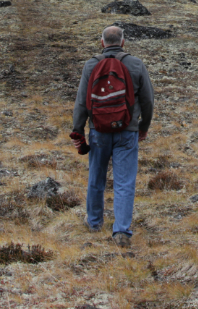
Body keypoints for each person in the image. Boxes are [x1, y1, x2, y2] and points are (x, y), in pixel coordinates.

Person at [70, 25, 154, 247]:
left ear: (102, 42)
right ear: (123, 42)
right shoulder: (136, 64)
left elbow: (81, 101)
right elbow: (148, 101)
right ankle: (122, 231)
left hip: (98, 131)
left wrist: (78, 129)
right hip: (127, 132)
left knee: (96, 177)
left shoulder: (91, 65)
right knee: (124, 181)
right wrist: (143, 127)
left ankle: (94, 222)